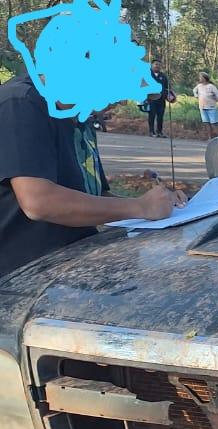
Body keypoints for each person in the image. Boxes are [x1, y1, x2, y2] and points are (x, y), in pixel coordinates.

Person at [0, 73, 185, 278]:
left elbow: (95, 194)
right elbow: (39, 202)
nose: (123, 101)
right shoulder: (20, 102)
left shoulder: (81, 116)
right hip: (20, 282)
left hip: (71, 266)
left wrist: (160, 204)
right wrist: (141, 207)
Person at [194, 72, 218, 139]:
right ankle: (210, 137)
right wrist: (197, 96)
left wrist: (215, 100)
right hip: (202, 107)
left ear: (204, 78)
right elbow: (194, 90)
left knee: (213, 124)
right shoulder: (199, 86)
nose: (199, 78)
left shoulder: (211, 86)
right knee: (206, 123)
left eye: (201, 77)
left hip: (211, 107)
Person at [146, 60, 170, 137]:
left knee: (160, 116)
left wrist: (169, 96)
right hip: (151, 99)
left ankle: (159, 132)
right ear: (152, 65)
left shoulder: (163, 76)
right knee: (152, 115)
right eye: (156, 64)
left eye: (159, 65)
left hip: (161, 99)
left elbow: (167, 87)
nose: (157, 66)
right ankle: (151, 131)